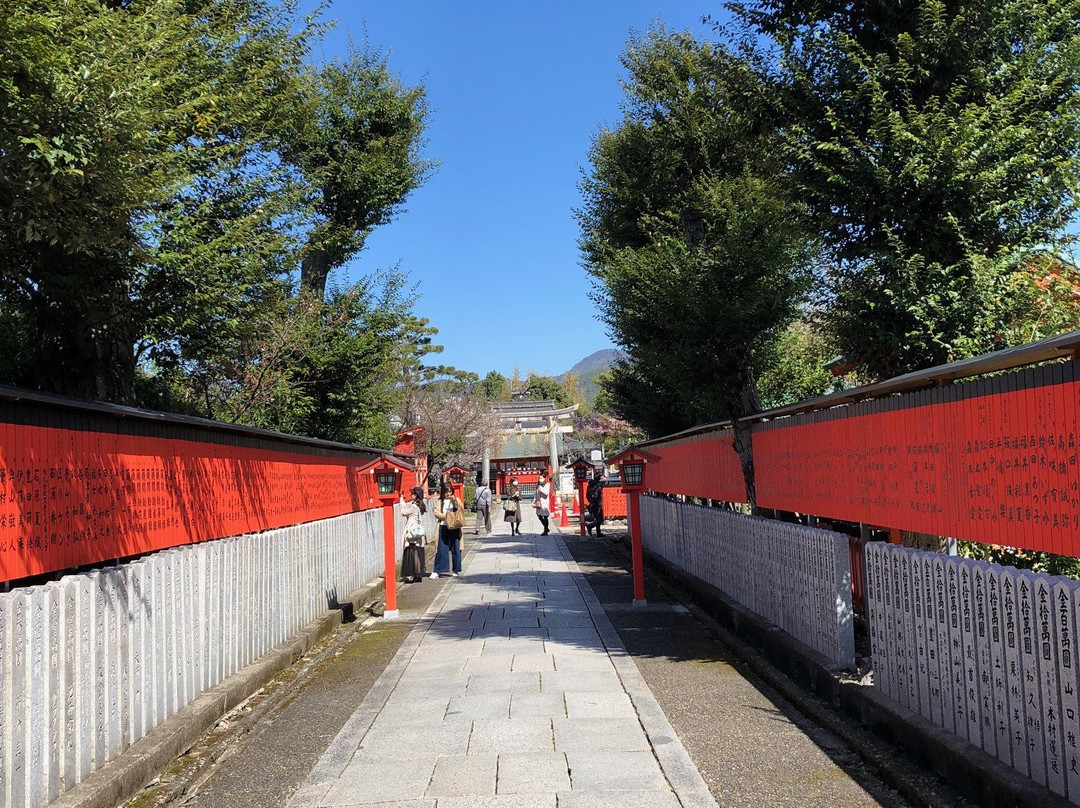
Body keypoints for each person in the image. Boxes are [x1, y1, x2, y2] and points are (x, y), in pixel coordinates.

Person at [431, 482, 464, 578]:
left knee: (456, 548)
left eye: (450, 491)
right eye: (446, 492)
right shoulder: (439, 502)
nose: (448, 494)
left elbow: (461, 509)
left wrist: (455, 500)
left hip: (455, 527)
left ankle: (456, 570)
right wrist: (446, 516)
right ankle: (438, 570)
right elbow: (436, 513)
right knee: (441, 548)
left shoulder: (455, 499)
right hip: (443, 526)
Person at [400, 487, 427, 582]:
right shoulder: (420, 505)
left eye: (412, 494)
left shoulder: (414, 506)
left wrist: (401, 501)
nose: (411, 495)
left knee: (414, 552)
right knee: (417, 552)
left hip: (413, 532)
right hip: (418, 533)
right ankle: (418, 573)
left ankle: (417, 574)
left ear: (416, 495)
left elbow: (403, 512)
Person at [585, 469, 605, 536]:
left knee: (597, 518)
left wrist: (591, 502)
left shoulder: (590, 485)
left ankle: (598, 533)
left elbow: (587, 495)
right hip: (597, 503)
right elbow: (596, 495)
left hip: (591, 504)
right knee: (600, 519)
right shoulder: (598, 485)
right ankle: (590, 526)